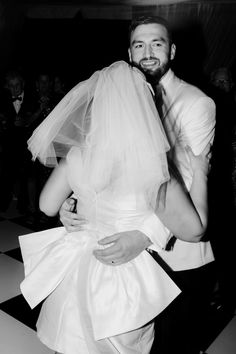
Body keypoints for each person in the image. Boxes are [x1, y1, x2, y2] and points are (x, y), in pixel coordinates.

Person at [19, 61, 209, 354]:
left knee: (71, 343)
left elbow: (46, 205)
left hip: (76, 267)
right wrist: (201, 174)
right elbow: (195, 232)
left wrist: (69, 204)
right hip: (121, 281)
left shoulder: (78, 155)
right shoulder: (153, 167)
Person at [60, 16, 216, 354]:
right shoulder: (115, 99)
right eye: (138, 45)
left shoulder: (196, 103)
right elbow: (101, 164)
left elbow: (187, 179)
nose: (147, 52)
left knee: (172, 345)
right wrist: (74, 202)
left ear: (172, 50)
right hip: (119, 256)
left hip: (173, 253)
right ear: (128, 53)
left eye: (156, 43)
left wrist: (144, 235)